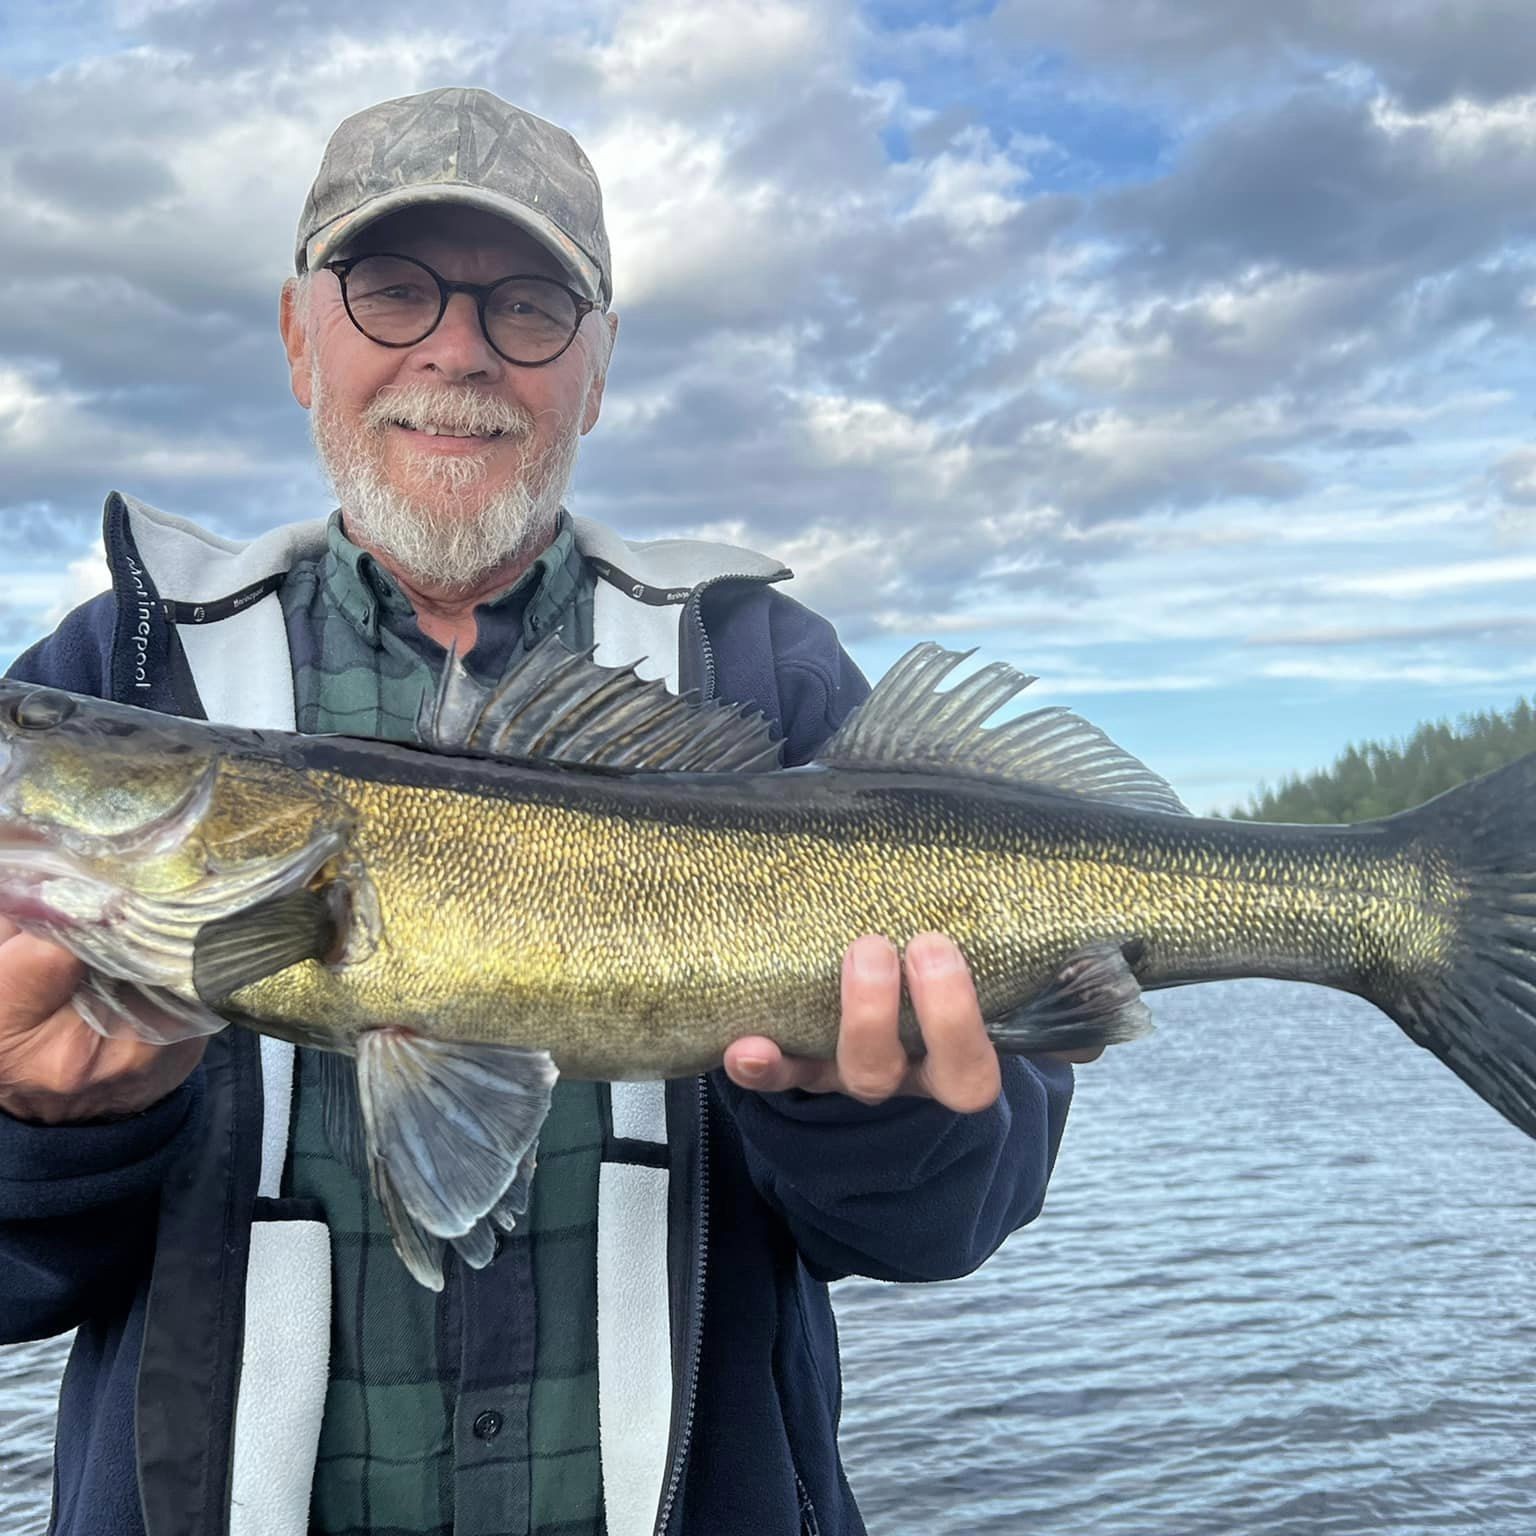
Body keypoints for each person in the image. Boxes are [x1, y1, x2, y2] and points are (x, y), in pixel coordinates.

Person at [0, 87, 1091, 1536]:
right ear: (294, 334)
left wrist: (873, 1121)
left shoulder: (769, 675)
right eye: (390, 291)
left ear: (599, 365)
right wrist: (47, 1128)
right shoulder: (121, 669)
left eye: (527, 303)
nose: (455, 350)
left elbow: (952, 1218)